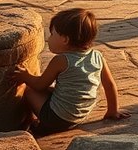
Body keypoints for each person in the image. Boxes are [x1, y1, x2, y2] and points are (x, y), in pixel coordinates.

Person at [9, 8, 128, 137]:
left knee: (28, 90)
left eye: (52, 34)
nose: (49, 38)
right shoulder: (97, 56)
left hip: (57, 119)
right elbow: (109, 85)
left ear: (65, 40)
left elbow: (39, 85)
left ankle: (33, 123)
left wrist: (25, 76)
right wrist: (112, 110)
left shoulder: (61, 60)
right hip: (80, 115)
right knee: (55, 88)